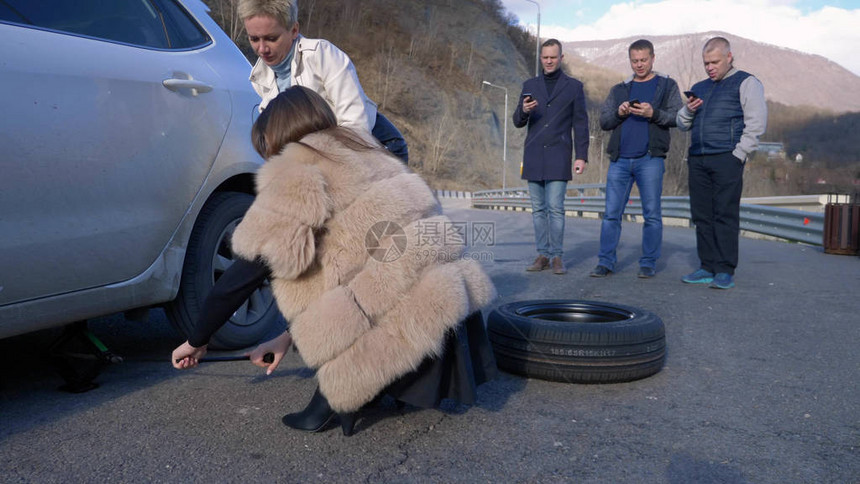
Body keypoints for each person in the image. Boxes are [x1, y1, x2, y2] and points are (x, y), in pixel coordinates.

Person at [171, 86, 497, 436]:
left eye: (266, 150)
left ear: (277, 140)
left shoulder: (296, 176)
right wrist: (286, 338)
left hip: (400, 326)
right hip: (447, 312)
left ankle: (341, 392)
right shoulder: (365, 148)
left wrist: (197, 338)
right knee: (328, 250)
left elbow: (246, 273)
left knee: (288, 260)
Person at [237, 0, 409, 163]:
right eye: (254, 39)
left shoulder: (322, 55)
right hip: (326, 157)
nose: (262, 49)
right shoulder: (258, 79)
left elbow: (355, 125)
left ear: (294, 30)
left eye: (271, 38)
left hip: (379, 146)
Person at [676, 36, 767, 289]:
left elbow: (756, 122)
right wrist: (688, 110)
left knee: (725, 214)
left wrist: (739, 154)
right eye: (706, 63)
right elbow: (682, 124)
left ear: (729, 57)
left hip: (727, 157)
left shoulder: (747, 82)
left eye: (714, 62)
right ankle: (707, 266)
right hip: (698, 158)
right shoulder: (700, 87)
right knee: (702, 215)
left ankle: (725, 270)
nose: (710, 67)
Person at [590, 39, 682, 279]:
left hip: (650, 159)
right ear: (629, 60)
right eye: (634, 60)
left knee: (651, 214)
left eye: (643, 60)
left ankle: (648, 263)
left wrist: (654, 113)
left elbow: (677, 118)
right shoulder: (619, 89)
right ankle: (605, 262)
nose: (639, 65)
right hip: (619, 160)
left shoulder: (667, 86)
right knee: (611, 214)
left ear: (653, 58)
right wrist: (620, 113)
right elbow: (604, 122)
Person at [513, 39, 589, 275]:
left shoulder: (574, 87)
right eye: (545, 57)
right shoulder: (529, 85)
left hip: (559, 153)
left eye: (553, 57)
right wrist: (524, 111)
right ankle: (542, 255)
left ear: (561, 58)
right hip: (534, 154)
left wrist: (581, 156)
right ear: (541, 58)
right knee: (537, 209)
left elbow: (581, 123)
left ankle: (557, 256)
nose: (548, 61)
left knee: (555, 207)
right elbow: (517, 121)